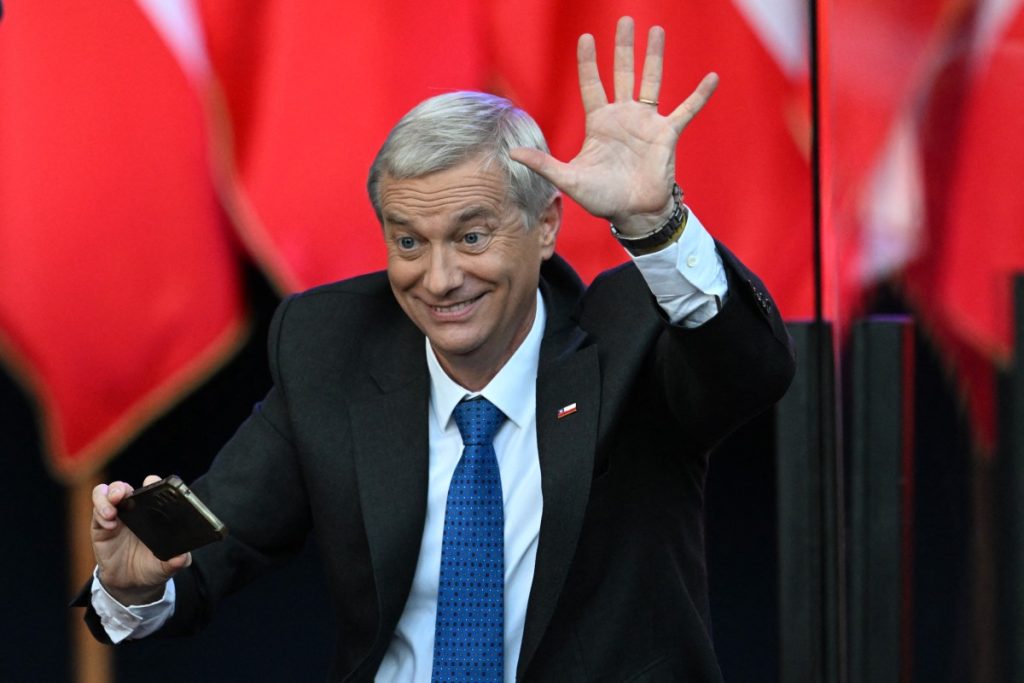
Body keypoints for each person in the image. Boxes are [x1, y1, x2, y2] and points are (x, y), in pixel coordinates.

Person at [78, 16, 794, 682]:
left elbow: (753, 371)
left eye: (472, 236)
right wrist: (135, 581)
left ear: (545, 226)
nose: (441, 278)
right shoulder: (333, 346)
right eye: (409, 242)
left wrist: (655, 222)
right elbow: (209, 552)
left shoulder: (627, 336)